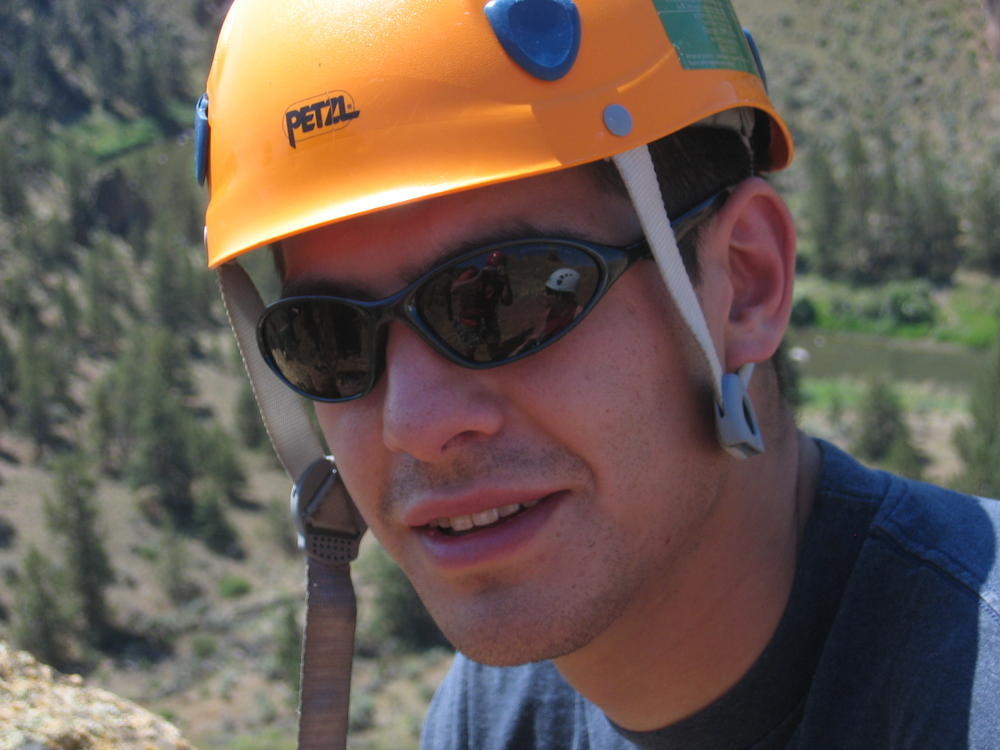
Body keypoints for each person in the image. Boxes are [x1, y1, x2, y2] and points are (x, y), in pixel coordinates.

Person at [194, 1, 1000, 747]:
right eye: (327, 338)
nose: (413, 423)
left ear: (746, 284)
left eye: (502, 298)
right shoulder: (489, 721)